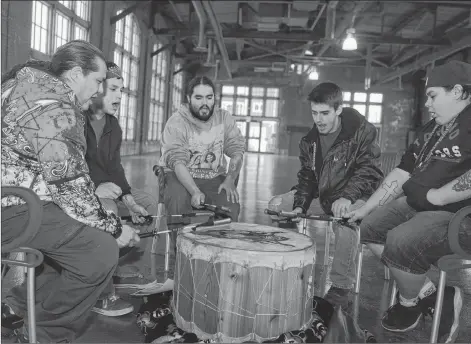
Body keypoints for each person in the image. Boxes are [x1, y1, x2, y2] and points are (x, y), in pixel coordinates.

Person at [1, 40, 140, 343]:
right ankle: (43, 335)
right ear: (76, 74)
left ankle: (17, 307)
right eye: (99, 81)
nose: (100, 91)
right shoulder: (53, 106)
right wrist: (115, 229)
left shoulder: (24, 84)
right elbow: (71, 187)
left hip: (17, 197)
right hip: (14, 206)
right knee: (99, 252)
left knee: (69, 245)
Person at [345, 60, 471, 342]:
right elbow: (403, 171)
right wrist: (366, 207)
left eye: (433, 95)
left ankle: (408, 302)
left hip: (459, 215)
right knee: (370, 227)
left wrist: (439, 195)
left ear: (458, 92)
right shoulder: (432, 129)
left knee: (401, 241)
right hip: (419, 204)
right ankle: (430, 294)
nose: (427, 102)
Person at [268, 82, 383, 308]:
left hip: (357, 196)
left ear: (338, 109)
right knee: (278, 205)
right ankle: (291, 265)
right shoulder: (309, 141)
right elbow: (308, 178)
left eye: (325, 113)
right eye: (314, 113)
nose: (318, 119)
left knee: (345, 218)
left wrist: (348, 196)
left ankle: (341, 286)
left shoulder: (362, 131)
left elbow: (368, 170)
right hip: (324, 195)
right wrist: (300, 206)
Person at [84, 62, 158, 317]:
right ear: (96, 87)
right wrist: (95, 189)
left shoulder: (113, 125)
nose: (119, 97)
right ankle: (102, 295)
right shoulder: (75, 119)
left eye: (122, 91)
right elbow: (68, 170)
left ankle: (132, 272)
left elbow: (115, 167)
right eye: (113, 89)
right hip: (81, 191)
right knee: (109, 209)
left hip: (108, 187)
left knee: (146, 202)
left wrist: (130, 201)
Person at [158, 76, 245, 228]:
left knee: (230, 204)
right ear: (188, 98)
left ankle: (217, 246)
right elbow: (177, 161)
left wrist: (231, 178)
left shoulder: (224, 118)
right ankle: (180, 248)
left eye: (209, 97)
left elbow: (237, 151)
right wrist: (194, 191)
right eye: (198, 98)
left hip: (213, 177)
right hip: (178, 176)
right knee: (178, 199)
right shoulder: (177, 122)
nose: (205, 103)